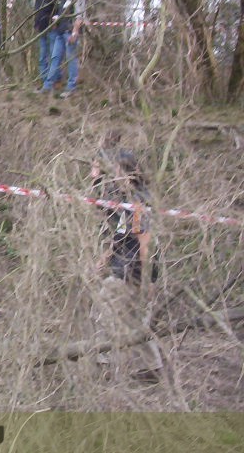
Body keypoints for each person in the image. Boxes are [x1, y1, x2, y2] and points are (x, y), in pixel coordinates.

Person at [89, 147, 163, 380]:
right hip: (126, 267)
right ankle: (153, 368)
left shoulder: (139, 202)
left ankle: (104, 365)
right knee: (133, 323)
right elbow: (122, 233)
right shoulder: (130, 200)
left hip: (131, 272)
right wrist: (107, 256)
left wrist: (148, 279)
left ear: (128, 174)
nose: (114, 178)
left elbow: (145, 242)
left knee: (101, 311)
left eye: (117, 173)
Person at [48, 0, 85, 98]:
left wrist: (75, 32)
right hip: (60, 32)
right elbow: (61, 13)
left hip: (70, 33)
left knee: (71, 59)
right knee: (55, 57)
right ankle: (49, 85)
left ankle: (71, 87)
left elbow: (80, 17)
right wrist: (55, 19)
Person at [28, 0, 60, 92]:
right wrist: (36, 25)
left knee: (53, 56)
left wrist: (55, 21)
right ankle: (45, 82)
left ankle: (52, 82)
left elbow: (57, 9)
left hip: (51, 29)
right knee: (42, 58)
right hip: (41, 31)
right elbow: (37, 13)